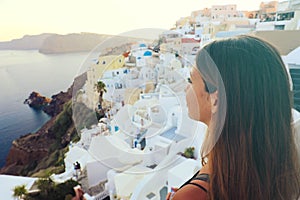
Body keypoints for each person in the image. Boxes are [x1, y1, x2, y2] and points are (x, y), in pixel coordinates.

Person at [167, 35, 300, 200]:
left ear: (215, 99)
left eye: (191, 80)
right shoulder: (280, 172)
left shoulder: (196, 194)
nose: (187, 87)